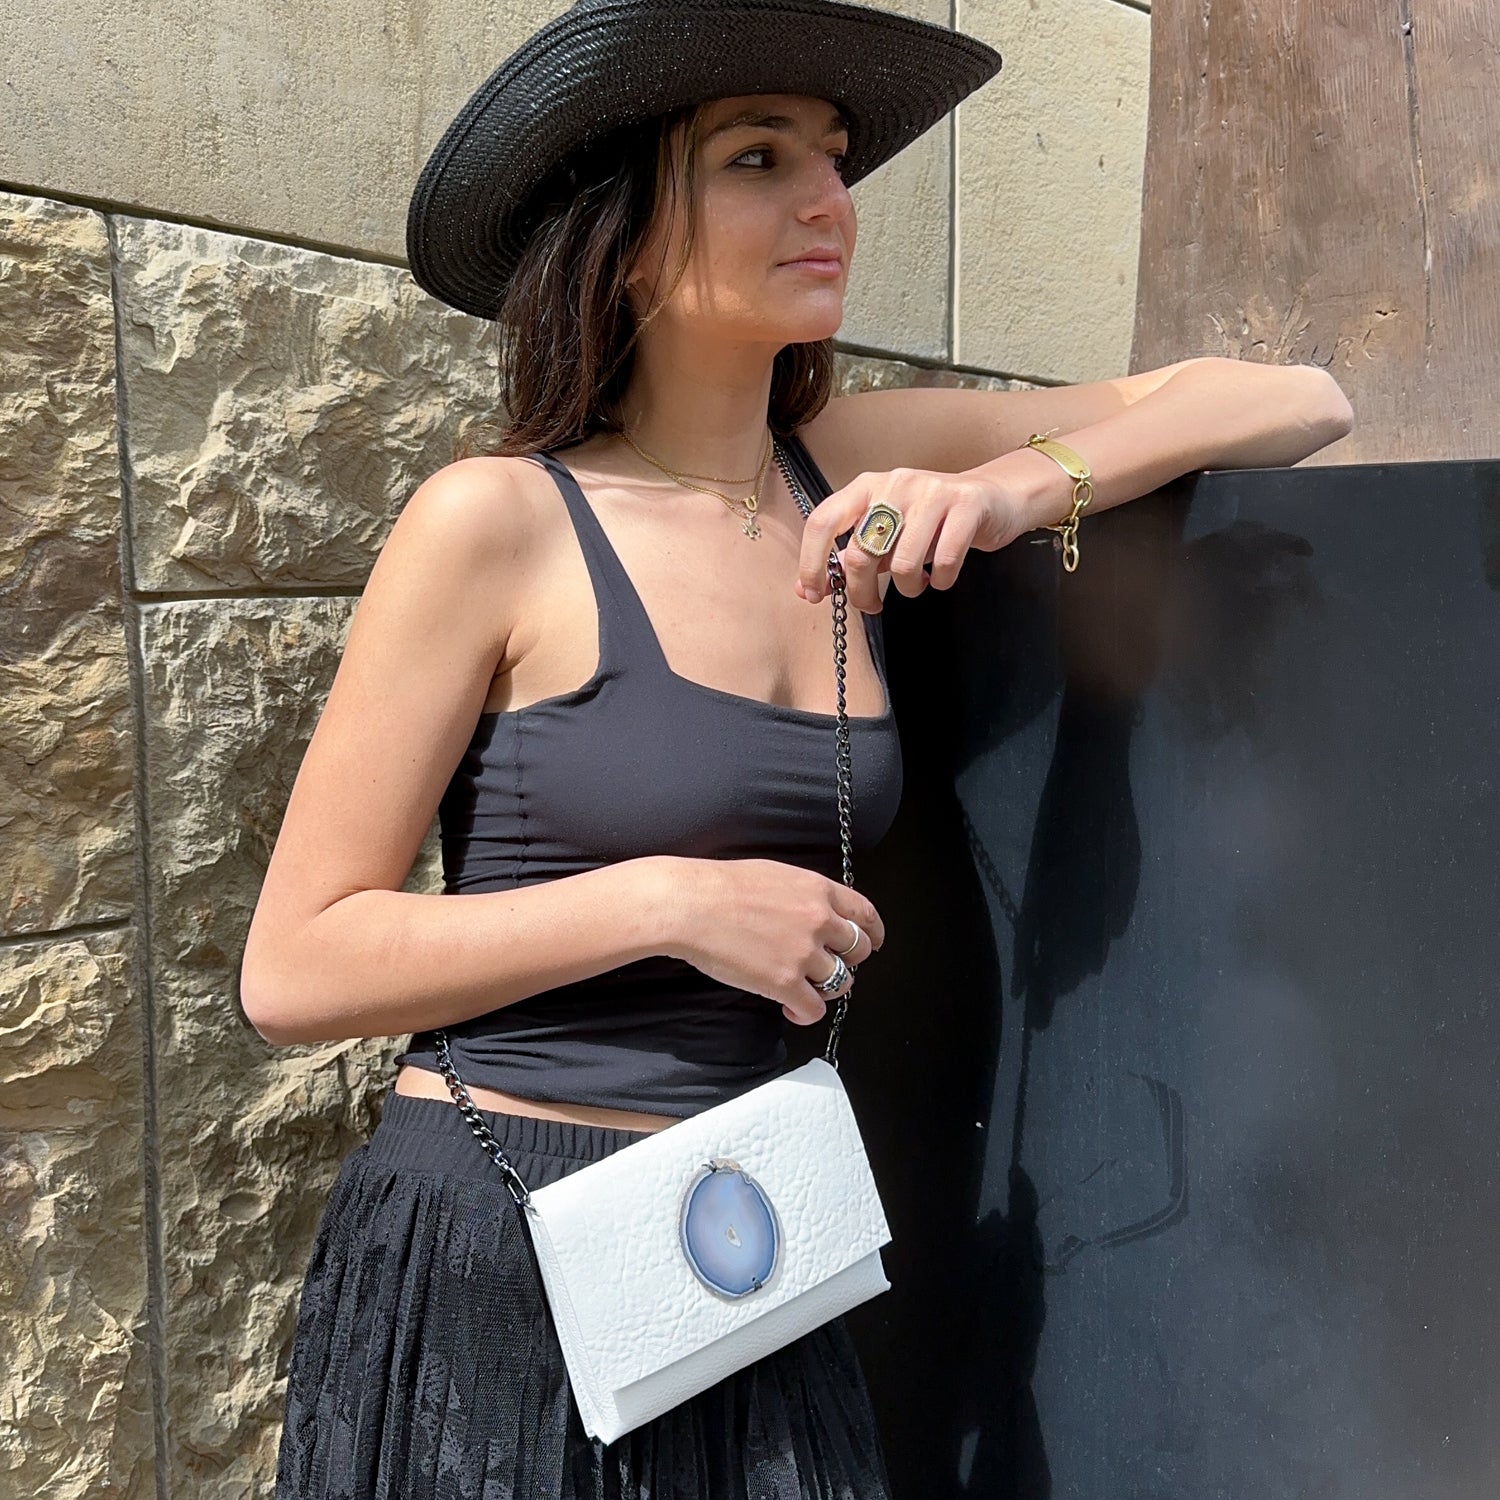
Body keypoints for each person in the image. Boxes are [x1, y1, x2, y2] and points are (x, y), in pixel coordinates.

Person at [241, 0, 1355, 1493]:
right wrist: (670, 901)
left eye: (834, 159)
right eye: (760, 159)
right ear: (627, 227)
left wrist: (1030, 485)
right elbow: (295, 966)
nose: (830, 200)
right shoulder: (496, 521)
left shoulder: (850, 463)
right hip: (506, 1238)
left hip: (756, 1243)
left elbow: (1298, 400)